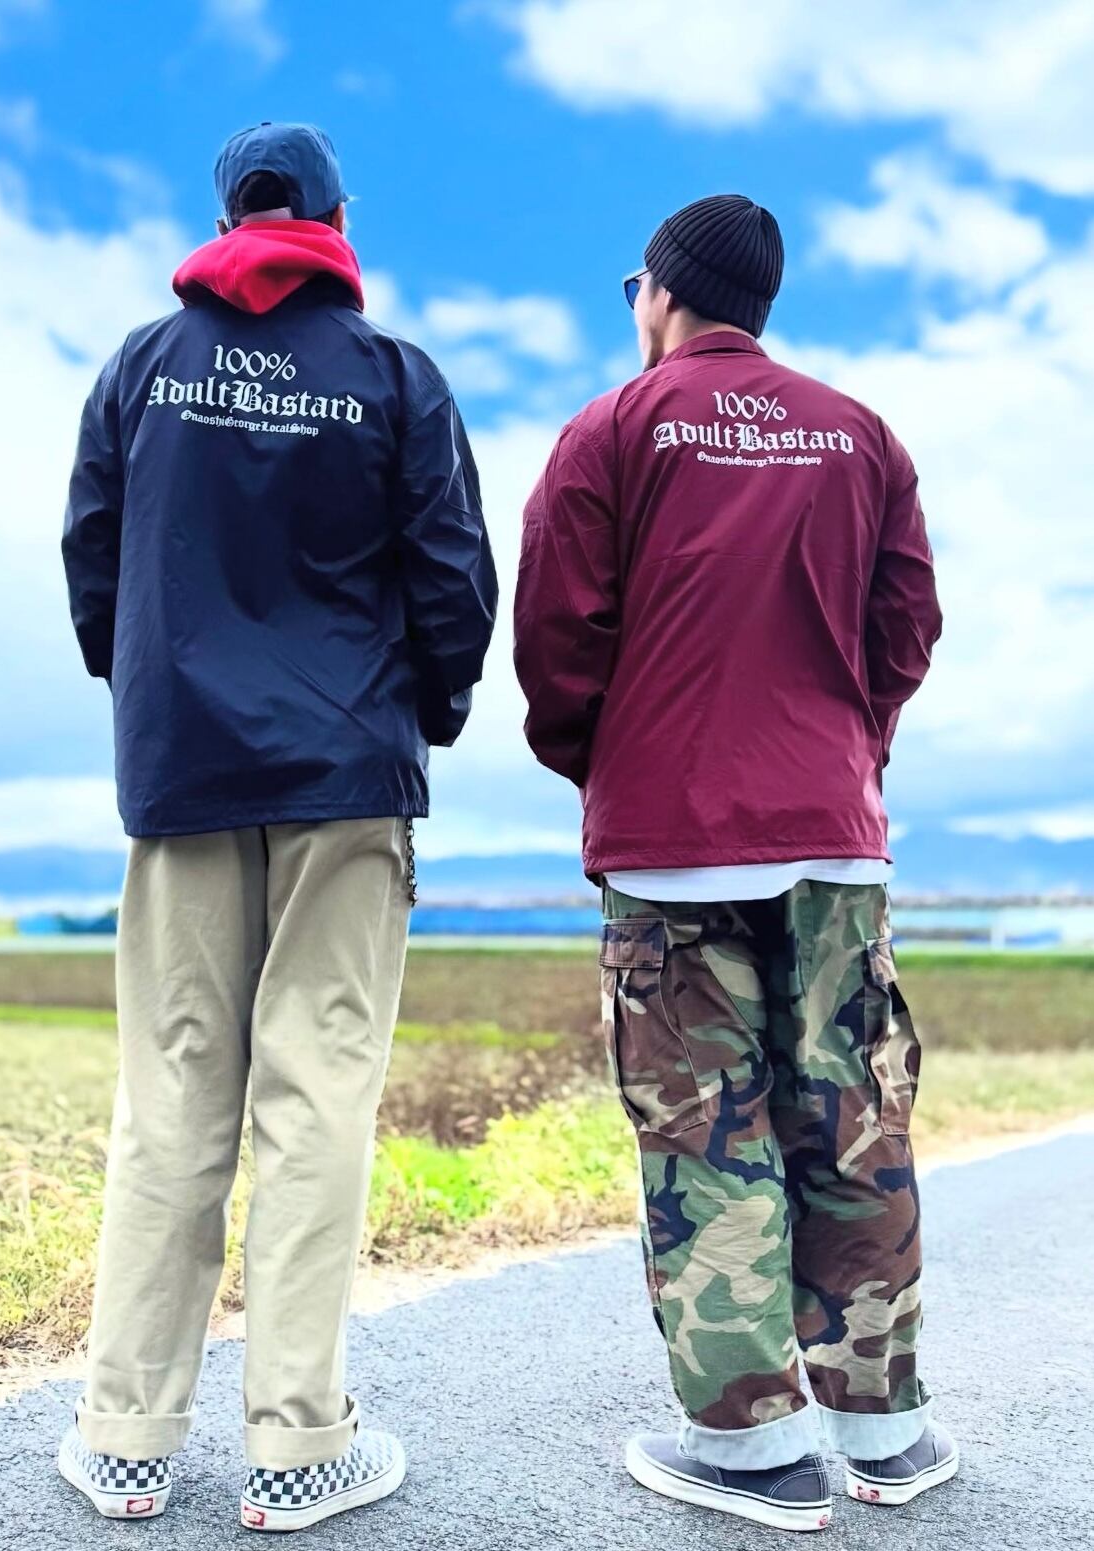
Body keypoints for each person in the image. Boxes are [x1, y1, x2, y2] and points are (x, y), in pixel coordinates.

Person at [58, 121, 497, 1532]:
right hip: (346, 779)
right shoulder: (394, 378)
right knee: (316, 1102)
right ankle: (299, 1446)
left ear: (224, 220)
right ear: (336, 221)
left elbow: (91, 557)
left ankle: (125, 1439)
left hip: (184, 775)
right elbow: (452, 577)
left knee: (173, 1094)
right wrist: (423, 714)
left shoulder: (142, 368)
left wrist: (155, 697)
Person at [514, 195, 948, 1534]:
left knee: (707, 1139)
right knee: (853, 1119)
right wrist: (846, 750)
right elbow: (907, 624)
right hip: (832, 841)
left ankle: (751, 1448)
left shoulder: (611, 430)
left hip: (673, 845)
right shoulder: (861, 434)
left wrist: (610, 763)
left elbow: (555, 640)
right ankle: (885, 1431)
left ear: (662, 294)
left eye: (634, 288)